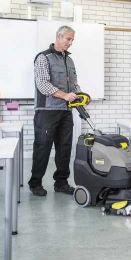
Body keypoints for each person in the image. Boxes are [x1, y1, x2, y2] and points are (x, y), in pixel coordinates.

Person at [28, 25, 81, 196]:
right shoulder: (44, 57)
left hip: (66, 111)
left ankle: (61, 183)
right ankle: (35, 183)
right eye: (68, 39)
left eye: (72, 39)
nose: (71, 42)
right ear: (58, 37)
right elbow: (43, 85)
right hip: (47, 111)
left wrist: (80, 95)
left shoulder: (69, 60)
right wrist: (65, 95)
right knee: (42, 147)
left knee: (65, 148)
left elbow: (74, 84)